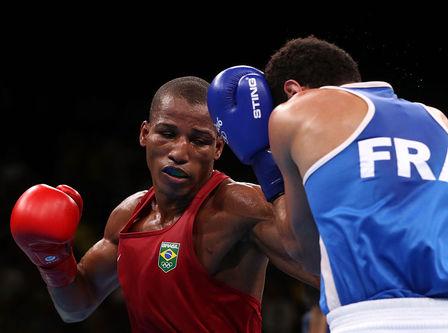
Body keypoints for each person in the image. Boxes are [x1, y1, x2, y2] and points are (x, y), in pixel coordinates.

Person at [207, 36, 448, 332]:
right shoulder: (442, 123)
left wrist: (262, 162)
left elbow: (302, 249)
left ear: (293, 91)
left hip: (371, 319)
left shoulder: (294, 112)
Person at [10, 76, 319, 332]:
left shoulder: (237, 205)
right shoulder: (127, 217)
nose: (179, 152)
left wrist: (276, 172)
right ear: (145, 133)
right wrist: (52, 260)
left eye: (198, 140)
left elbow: (322, 269)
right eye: (168, 134)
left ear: (218, 148)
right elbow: (76, 307)